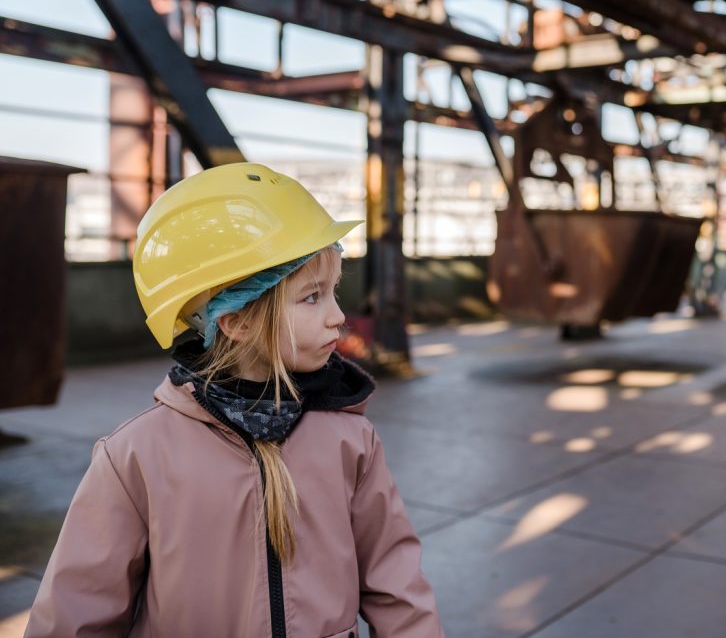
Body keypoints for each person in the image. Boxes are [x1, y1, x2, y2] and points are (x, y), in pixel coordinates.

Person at [25, 163, 445, 637]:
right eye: (312, 297)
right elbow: (75, 615)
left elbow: (397, 588)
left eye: (334, 292)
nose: (338, 316)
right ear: (236, 322)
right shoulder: (136, 456)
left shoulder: (353, 439)